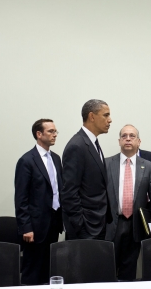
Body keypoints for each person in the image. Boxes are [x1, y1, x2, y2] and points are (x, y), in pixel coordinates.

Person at [105, 125, 151, 281]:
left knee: (129, 271)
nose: (128, 139)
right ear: (119, 141)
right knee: (107, 269)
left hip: (136, 225)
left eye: (132, 136)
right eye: (124, 136)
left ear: (139, 141)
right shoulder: (107, 164)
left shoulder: (148, 166)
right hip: (112, 225)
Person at [14, 119, 63, 284]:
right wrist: (26, 227)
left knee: (49, 268)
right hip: (35, 227)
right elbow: (21, 198)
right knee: (33, 270)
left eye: (55, 131)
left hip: (54, 222)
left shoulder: (56, 158)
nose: (55, 134)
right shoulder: (27, 161)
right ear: (39, 134)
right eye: (50, 131)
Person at [62, 99, 113, 240]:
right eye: (106, 115)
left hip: (98, 223)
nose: (110, 120)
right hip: (86, 228)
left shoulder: (93, 143)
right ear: (92, 116)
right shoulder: (77, 146)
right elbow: (69, 192)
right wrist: (80, 224)